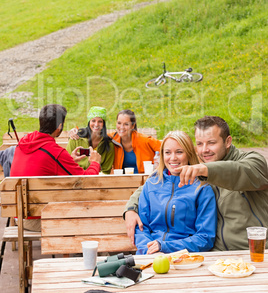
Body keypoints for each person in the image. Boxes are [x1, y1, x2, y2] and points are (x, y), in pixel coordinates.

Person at [124, 116, 268, 251]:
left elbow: (241, 171)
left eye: (211, 143)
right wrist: (130, 208)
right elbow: (153, 186)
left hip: (252, 250)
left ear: (227, 141)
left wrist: (204, 170)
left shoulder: (252, 161)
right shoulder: (201, 166)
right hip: (216, 255)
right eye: (199, 143)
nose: (204, 150)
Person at [10, 104, 101, 231]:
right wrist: (95, 162)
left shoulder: (24, 142)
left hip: (18, 217)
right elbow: (87, 180)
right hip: (38, 219)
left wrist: (69, 159)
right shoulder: (55, 153)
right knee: (90, 214)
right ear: (59, 127)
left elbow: (43, 163)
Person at [135, 131, 216, 254]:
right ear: (162, 155)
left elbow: (205, 238)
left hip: (184, 257)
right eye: (168, 152)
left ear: (189, 154)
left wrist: (165, 247)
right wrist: (148, 250)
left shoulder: (202, 189)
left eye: (179, 152)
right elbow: (141, 228)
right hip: (150, 255)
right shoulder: (151, 184)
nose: (173, 158)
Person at [66, 106, 114, 174]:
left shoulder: (108, 145)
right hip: (77, 179)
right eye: (93, 121)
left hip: (98, 181)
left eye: (100, 121)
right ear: (89, 122)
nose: (96, 124)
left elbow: (106, 171)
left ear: (104, 124)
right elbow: (67, 162)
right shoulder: (75, 138)